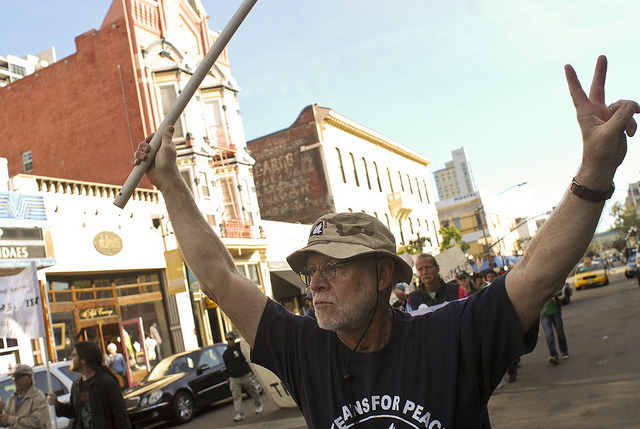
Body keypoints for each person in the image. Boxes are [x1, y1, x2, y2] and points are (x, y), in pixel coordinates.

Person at [132, 55, 640, 427]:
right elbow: (220, 276)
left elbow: (536, 276)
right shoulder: (306, 350)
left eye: (334, 266)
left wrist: (594, 170)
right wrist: (172, 183)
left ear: (381, 275)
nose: (316, 283)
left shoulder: (451, 339)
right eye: (311, 270)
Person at [47, 341, 131, 429]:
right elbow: (74, 412)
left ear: (83, 360)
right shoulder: (77, 385)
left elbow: (120, 416)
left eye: (74, 355)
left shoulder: (106, 382)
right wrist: (57, 404)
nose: (70, 358)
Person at [221, 332, 263, 422]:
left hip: (245, 375)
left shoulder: (240, 348)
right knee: (236, 396)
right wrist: (228, 377)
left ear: (234, 339)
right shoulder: (226, 353)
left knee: (252, 391)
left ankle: (259, 404)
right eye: (227, 339)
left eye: (230, 339)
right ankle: (239, 413)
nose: (229, 341)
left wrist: (250, 370)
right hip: (234, 378)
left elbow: (248, 358)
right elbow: (227, 366)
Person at [0, 364, 50, 428]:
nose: (15, 380)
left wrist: (9, 419)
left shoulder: (38, 397)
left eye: (18, 377)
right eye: (13, 377)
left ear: (29, 377)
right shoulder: (13, 398)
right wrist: (1, 411)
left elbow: (36, 423)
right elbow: (5, 421)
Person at [541, 293, 570, 364]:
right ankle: (554, 355)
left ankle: (564, 351)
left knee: (560, 332)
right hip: (544, 313)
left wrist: (557, 294)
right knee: (549, 334)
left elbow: (560, 292)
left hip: (555, 311)